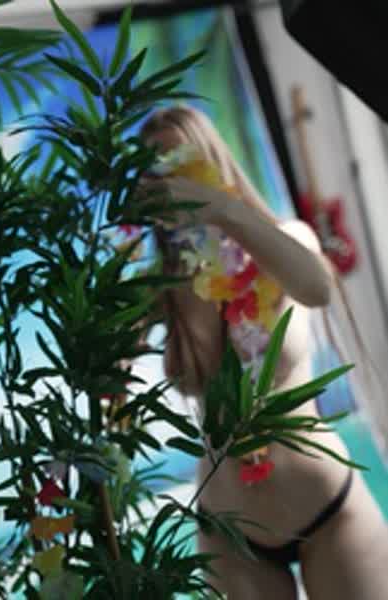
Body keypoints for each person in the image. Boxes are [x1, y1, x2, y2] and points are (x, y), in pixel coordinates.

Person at [137, 104, 388, 599]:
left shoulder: (284, 239)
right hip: (228, 529)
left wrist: (223, 211)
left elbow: (317, 287)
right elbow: (100, 355)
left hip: (324, 508)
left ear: (212, 160)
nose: (171, 182)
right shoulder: (163, 282)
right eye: (155, 170)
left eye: (180, 163)